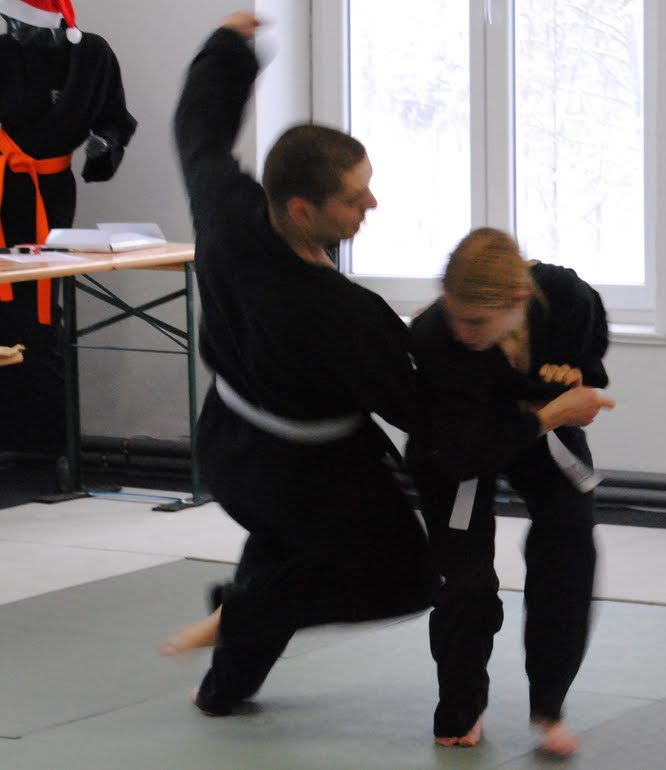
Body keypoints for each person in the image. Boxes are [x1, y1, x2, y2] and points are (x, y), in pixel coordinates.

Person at [165, 12, 435, 716]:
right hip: (310, 469)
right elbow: (417, 405)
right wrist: (517, 407)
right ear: (301, 209)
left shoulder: (228, 211)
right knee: (409, 576)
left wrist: (226, 46)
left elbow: (198, 128)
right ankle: (238, 613)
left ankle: (224, 688)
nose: (371, 203)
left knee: (282, 548)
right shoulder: (339, 315)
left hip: (229, 446)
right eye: (353, 197)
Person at [407, 226, 615, 756]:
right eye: (456, 315)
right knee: (466, 580)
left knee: (570, 541)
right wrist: (551, 412)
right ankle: (461, 706)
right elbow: (468, 451)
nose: (463, 331)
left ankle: (549, 706)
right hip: (459, 448)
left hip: (541, 432)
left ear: (519, 299)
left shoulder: (563, 295)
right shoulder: (433, 337)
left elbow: (592, 335)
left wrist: (577, 372)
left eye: (477, 321)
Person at [0, 0, 136, 452]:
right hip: (1, 186)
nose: (13, 29)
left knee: (38, 313)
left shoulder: (92, 56)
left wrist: (104, 145)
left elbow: (116, 120)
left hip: (49, 195)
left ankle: (46, 444)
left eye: (20, 22)